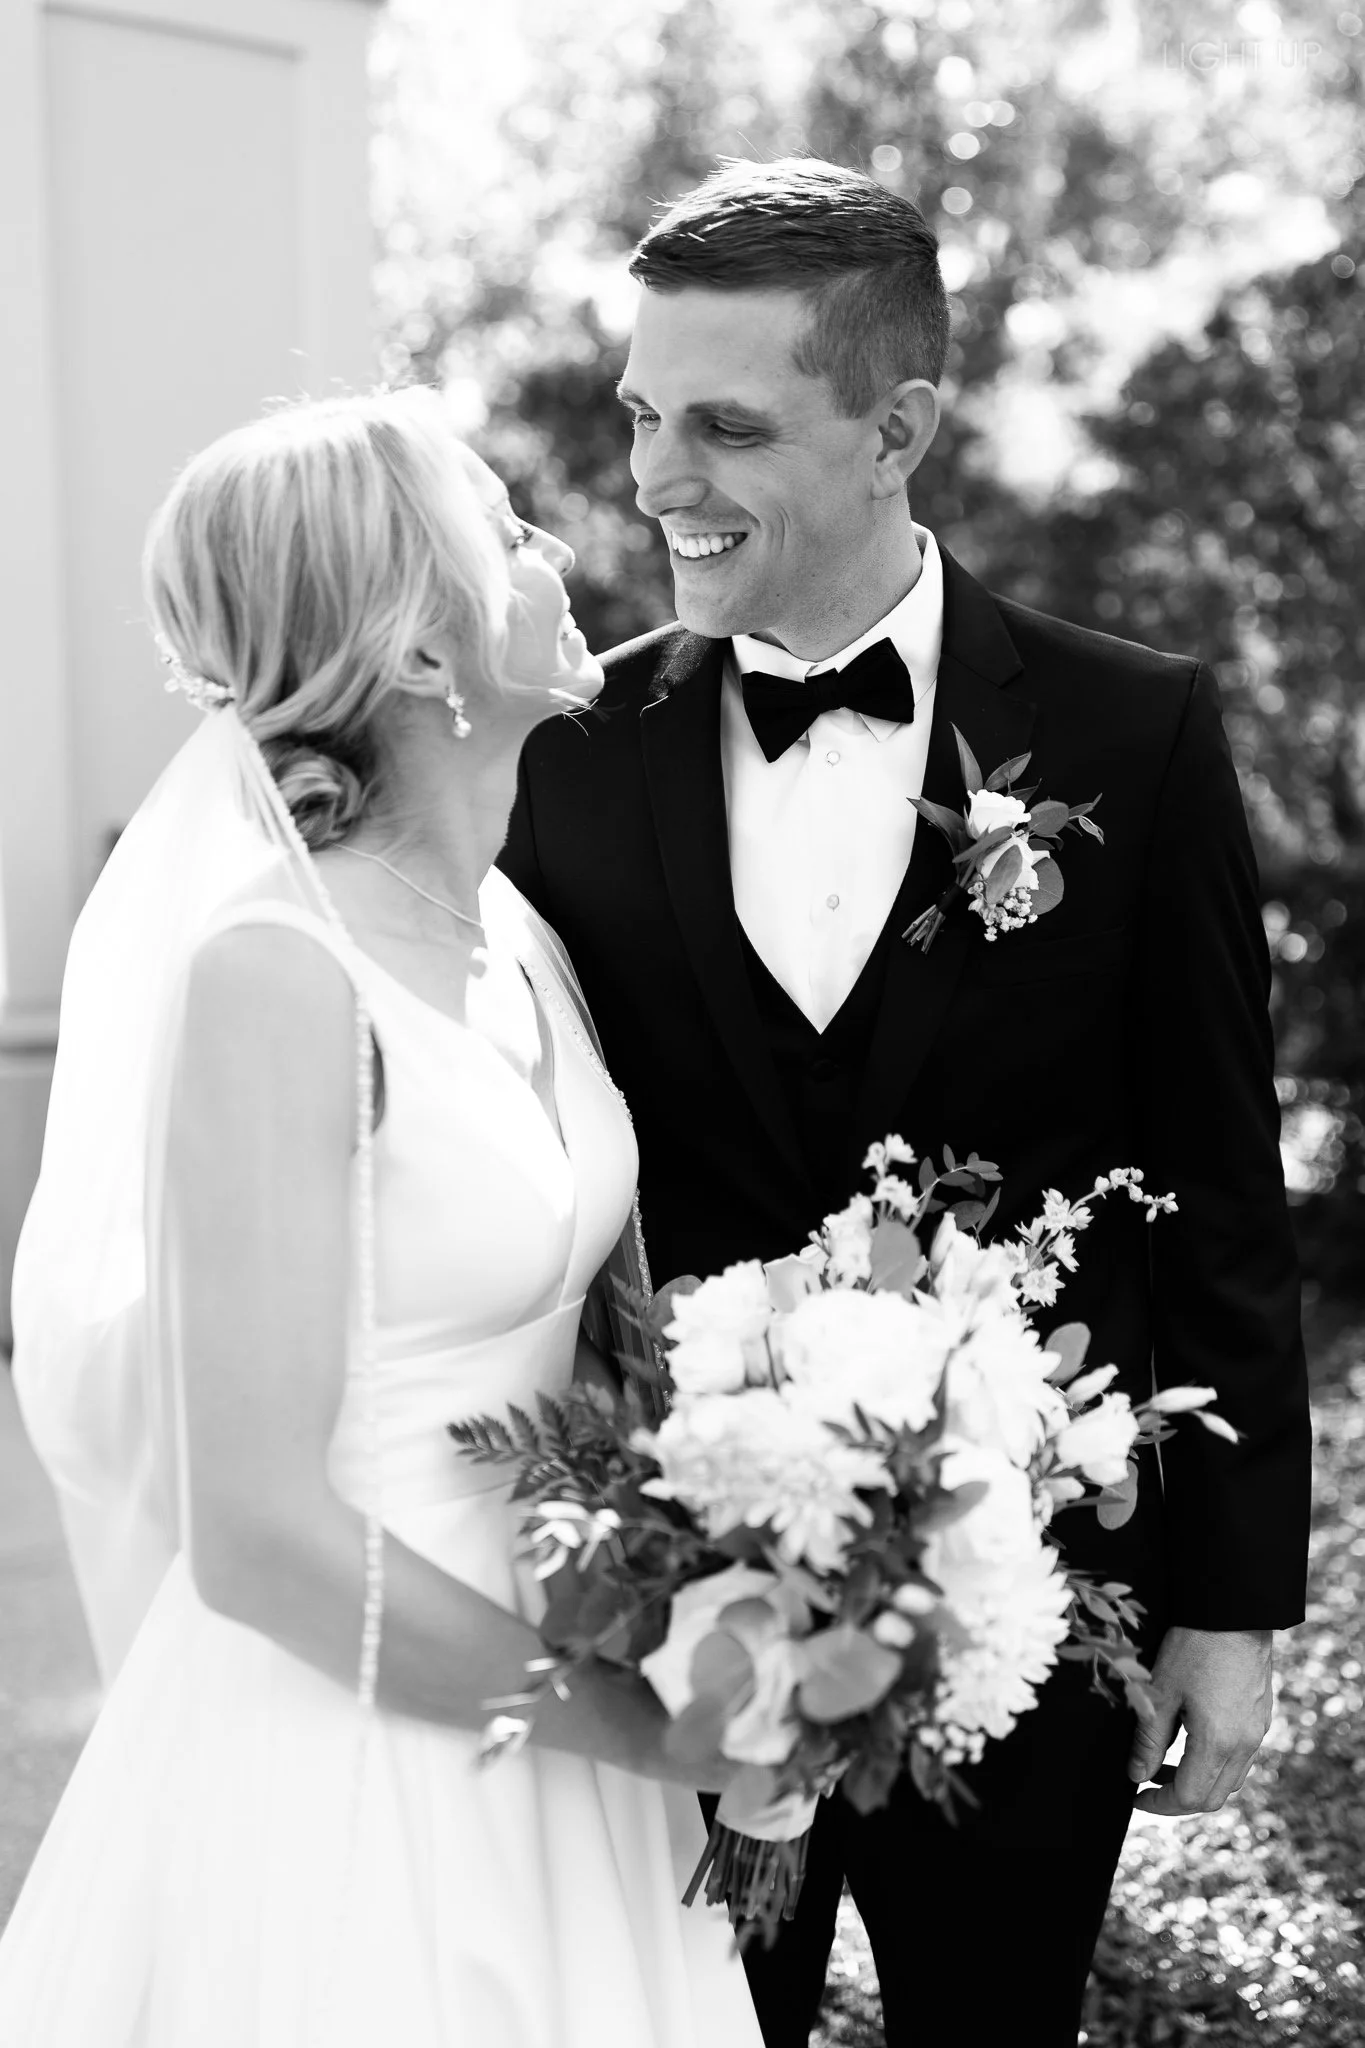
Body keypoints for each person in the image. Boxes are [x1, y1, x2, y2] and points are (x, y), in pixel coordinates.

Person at [499, 157, 1312, 2047]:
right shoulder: (564, 759)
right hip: (678, 1625)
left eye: (725, 427)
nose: (656, 480)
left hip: (1037, 1604)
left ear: (899, 430)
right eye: (641, 415)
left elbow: (1218, 1185)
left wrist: (1232, 1603)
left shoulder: (1135, 735)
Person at [0, 388, 761, 2048]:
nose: (553, 548)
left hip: (569, 1706)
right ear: (421, 650)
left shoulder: (512, 933)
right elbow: (260, 1537)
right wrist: (639, 1730)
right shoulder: (279, 975)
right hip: (358, 1764)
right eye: (503, 527)